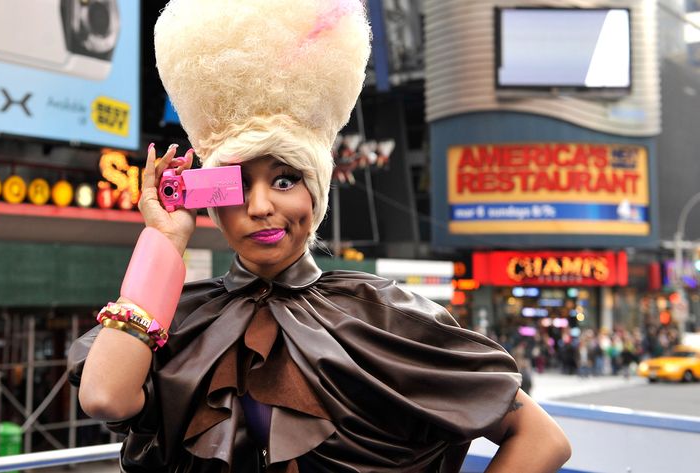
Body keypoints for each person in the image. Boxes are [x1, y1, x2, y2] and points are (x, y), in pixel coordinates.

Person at [68, 1, 571, 471]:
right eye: (237, 184)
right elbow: (105, 397)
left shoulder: (385, 314)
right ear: (212, 201)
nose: (261, 206)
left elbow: (541, 437)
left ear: (315, 192)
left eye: (284, 179)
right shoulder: (177, 319)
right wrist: (165, 238)